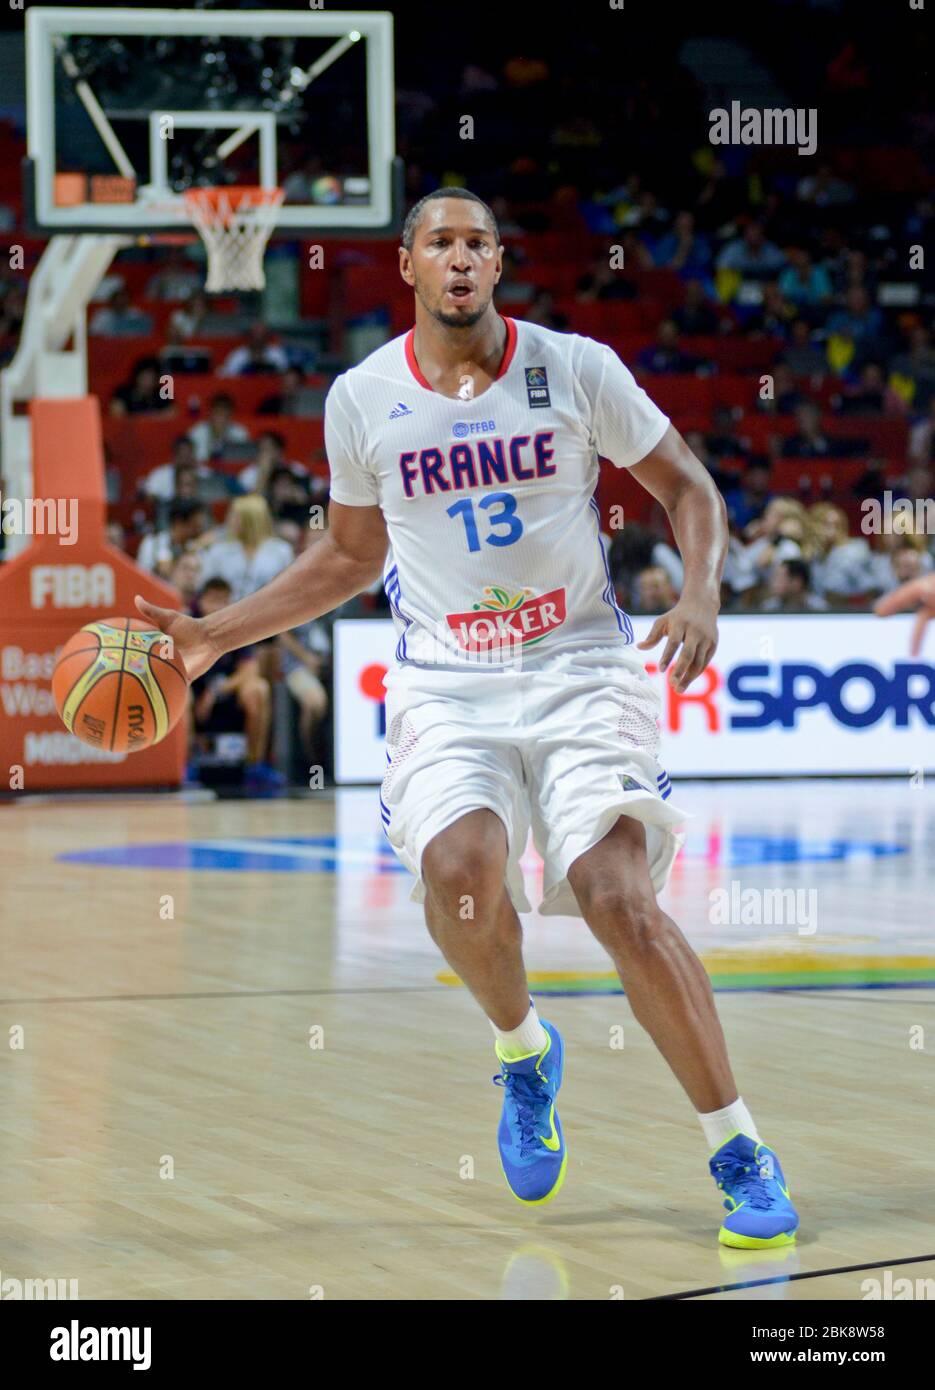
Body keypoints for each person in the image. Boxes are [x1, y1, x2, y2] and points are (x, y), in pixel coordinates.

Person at [137, 186, 799, 1248]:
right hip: (446, 676)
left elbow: (685, 487)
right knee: (458, 876)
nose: (458, 260)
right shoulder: (359, 397)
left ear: (498, 264)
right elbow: (352, 556)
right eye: (438, 243)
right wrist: (218, 633)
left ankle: (736, 1147)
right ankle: (523, 1050)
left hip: (581, 661)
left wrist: (701, 589)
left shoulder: (574, 367)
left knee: (614, 896)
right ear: (406, 264)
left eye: (476, 244)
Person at [189, 578, 283, 790]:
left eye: (223, 600)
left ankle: (255, 766)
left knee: (258, 689)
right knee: (180, 696)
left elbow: (250, 669)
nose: (218, 606)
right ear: (200, 601)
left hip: (227, 696)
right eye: (213, 600)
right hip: (195, 696)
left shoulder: (237, 626)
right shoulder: (190, 625)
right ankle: (186, 767)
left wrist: (216, 690)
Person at [199, 494, 294, 603]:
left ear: (251, 520)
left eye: (236, 516)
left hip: (269, 612)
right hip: (227, 612)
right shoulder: (219, 550)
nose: (230, 520)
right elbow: (205, 586)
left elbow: (289, 588)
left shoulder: (281, 551)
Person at [136, 499, 210, 578]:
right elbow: (143, 575)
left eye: (199, 527)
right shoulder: (152, 543)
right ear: (178, 523)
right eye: (194, 526)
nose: (198, 531)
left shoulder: (196, 548)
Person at [187, 393, 251, 462]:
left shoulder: (240, 434)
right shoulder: (196, 432)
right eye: (218, 414)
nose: (221, 419)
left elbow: (245, 460)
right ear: (210, 413)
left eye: (225, 415)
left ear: (231, 416)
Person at [217, 323, 289, 377]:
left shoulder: (277, 353)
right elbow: (224, 374)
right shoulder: (238, 354)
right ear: (249, 337)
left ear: (267, 337)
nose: (258, 339)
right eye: (255, 336)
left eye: (261, 336)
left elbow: (285, 374)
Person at [109, 358, 174, 417]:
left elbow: (172, 413)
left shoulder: (162, 393)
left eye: (151, 377)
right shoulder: (123, 392)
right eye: (144, 376)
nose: (147, 381)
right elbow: (116, 414)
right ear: (137, 376)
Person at [761, 558, 829, 613]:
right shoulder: (768, 608)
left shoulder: (820, 610)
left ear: (796, 582)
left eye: (778, 578)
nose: (773, 583)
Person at [89, 286, 154, 336]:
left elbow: (144, 333)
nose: (121, 304)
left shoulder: (136, 314)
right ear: (112, 302)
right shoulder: (102, 315)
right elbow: (94, 333)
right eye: (118, 302)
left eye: (123, 302)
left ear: (128, 302)